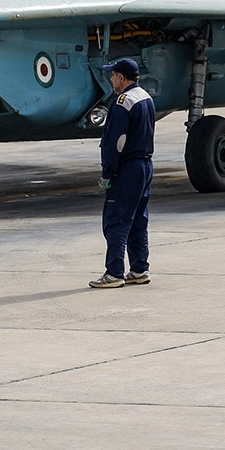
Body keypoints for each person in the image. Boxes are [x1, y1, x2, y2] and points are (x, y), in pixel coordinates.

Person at [90, 57, 156, 288]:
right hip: (145, 165)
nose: (111, 79)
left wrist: (108, 173)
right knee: (138, 219)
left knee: (116, 220)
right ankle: (139, 269)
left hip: (128, 168)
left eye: (113, 75)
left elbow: (115, 142)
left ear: (121, 77)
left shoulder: (122, 102)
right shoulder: (146, 97)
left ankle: (114, 273)